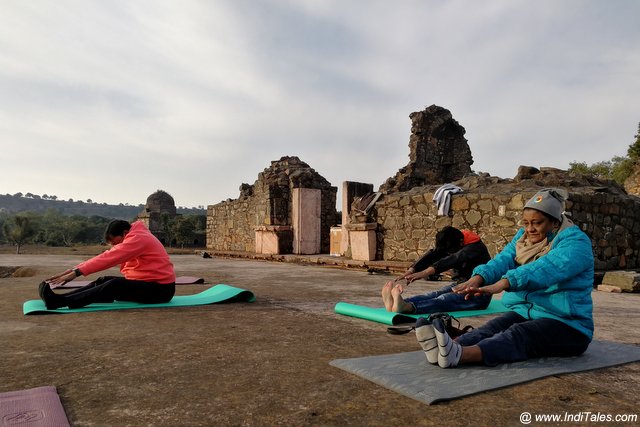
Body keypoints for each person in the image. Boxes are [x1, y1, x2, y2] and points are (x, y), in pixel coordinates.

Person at [415, 188, 594, 368]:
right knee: (492, 328)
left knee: (520, 333)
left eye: (537, 223)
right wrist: (479, 277)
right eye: (525, 223)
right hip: (528, 313)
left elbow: (545, 268)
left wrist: (502, 283)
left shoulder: (575, 243)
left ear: (554, 222)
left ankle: (461, 355)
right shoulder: (523, 238)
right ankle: (448, 347)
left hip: (568, 324)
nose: (529, 229)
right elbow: (504, 259)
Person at [38, 219, 176, 309]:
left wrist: (77, 273)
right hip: (147, 284)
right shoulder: (135, 235)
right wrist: (72, 270)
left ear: (124, 233)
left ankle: (59, 302)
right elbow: (105, 256)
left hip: (161, 291)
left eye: (115, 242)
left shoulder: (138, 239)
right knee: (105, 280)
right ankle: (61, 299)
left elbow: (109, 258)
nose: (115, 246)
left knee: (114, 285)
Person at [381, 226, 491, 314]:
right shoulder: (455, 240)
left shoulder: (475, 248)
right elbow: (434, 254)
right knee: (434, 294)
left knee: (445, 299)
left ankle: (409, 307)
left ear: (461, 242)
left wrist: (424, 272)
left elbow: (453, 259)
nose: (449, 253)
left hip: (479, 294)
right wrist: (412, 270)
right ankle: (398, 303)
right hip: (461, 284)